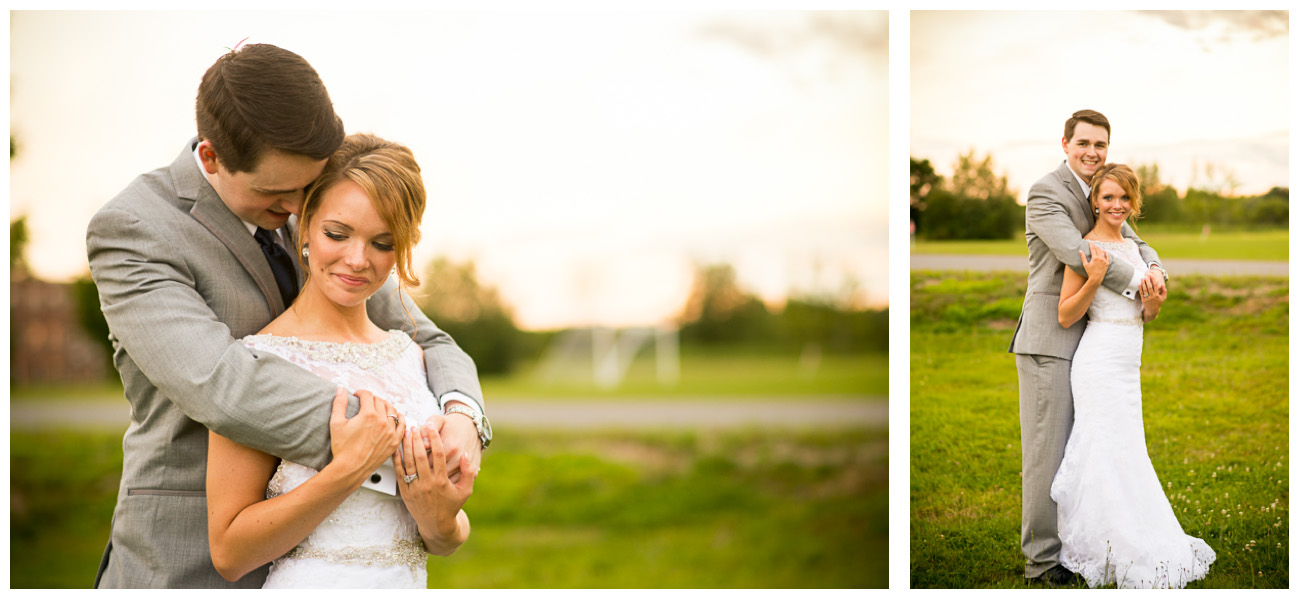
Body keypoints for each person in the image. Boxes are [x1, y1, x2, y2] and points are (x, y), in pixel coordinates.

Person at [86, 43, 488, 588]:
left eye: (309, 187)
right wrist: (410, 450)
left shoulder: (324, 213)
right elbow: (223, 386)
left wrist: (462, 417)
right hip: (189, 559)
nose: (300, 210)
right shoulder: (136, 230)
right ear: (211, 159)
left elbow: (427, 340)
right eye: (278, 194)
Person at [206, 133, 476, 588]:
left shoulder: (412, 356)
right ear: (304, 224)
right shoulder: (258, 360)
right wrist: (348, 471)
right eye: (338, 233)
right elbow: (230, 553)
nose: (357, 259)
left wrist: (441, 519)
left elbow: (443, 539)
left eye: (383, 243)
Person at [1007, 109, 1167, 586]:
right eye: (1084, 144)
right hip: (1050, 338)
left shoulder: (1100, 190)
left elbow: (1133, 238)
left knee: (1085, 448)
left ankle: (1079, 542)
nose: (1092, 153)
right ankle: (1041, 561)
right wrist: (1141, 281)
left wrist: (1158, 271)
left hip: (1091, 338)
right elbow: (1082, 253)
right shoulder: (1046, 192)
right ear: (1065, 144)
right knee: (1047, 452)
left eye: (1100, 145)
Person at [1050, 163, 1214, 588]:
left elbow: (1146, 313)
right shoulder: (1086, 248)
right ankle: (1101, 541)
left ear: (1134, 201)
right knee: (1103, 445)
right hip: (1099, 358)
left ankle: (1134, 530)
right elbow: (1066, 314)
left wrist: (1154, 305)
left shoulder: (1139, 249)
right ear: (1095, 202)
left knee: (1127, 446)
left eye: (1124, 197)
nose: (1116, 205)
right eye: (1108, 197)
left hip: (1128, 361)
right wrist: (1095, 280)